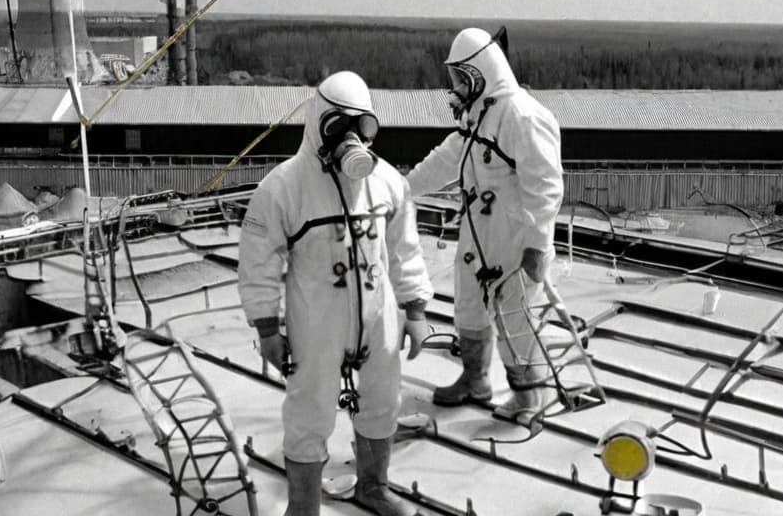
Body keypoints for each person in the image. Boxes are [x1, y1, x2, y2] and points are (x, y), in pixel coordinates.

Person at [238, 71, 433, 516]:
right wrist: (268, 327)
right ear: (318, 124)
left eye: (357, 127)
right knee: (309, 412)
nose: (349, 139)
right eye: (337, 127)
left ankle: (373, 487)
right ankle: (303, 506)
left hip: (378, 317)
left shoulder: (386, 182)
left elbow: (405, 249)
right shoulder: (284, 187)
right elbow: (259, 262)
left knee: (383, 401)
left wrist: (416, 309)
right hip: (316, 323)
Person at [406, 27, 564, 425]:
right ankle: (475, 379)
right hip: (478, 237)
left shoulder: (522, 116)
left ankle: (529, 399)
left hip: (514, 241)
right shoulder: (479, 115)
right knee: (469, 310)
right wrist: (401, 190)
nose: (456, 86)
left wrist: (537, 245)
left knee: (516, 320)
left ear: (479, 72)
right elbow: (446, 160)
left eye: (462, 77)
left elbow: (545, 187)